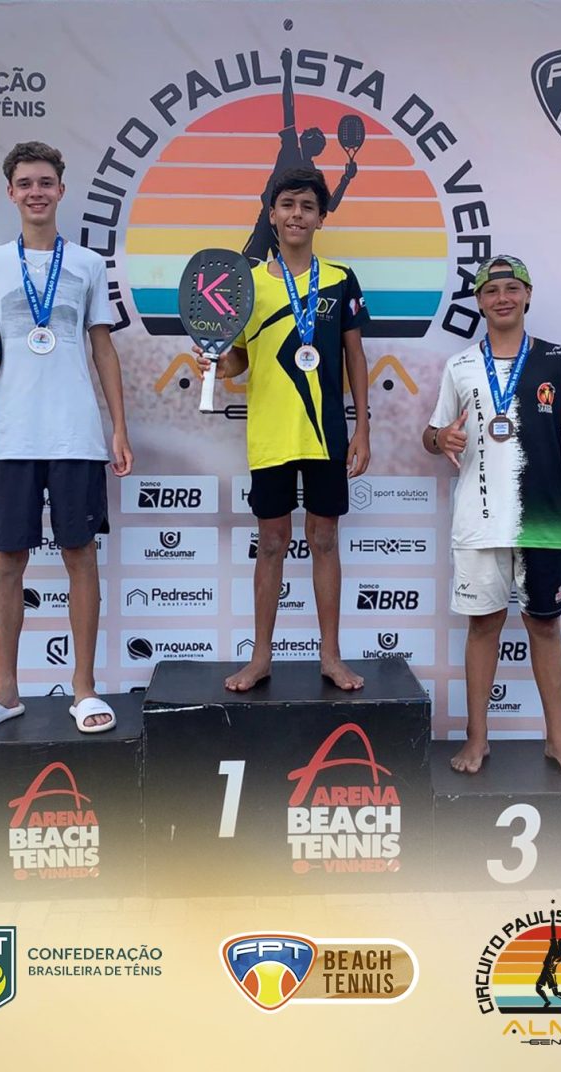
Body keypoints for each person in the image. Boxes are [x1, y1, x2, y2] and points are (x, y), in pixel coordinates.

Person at [423, 255, 561, 776]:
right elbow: (432, 435)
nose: (502, 297)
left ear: (527, 295)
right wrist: (441, 439)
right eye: (491, 290)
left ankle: (558, 742)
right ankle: (477, 739)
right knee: (483, 626)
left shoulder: (556, 361)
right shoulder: (460, 366)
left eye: (512, 288)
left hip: (541, 518)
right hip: (478, 520)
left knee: (544, 627)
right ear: (479, 302)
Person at [0, 141, 133, 735]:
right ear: (11, 192)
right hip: (10, 435)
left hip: (76, 434)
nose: (36, 192)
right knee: (8, 560)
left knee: (81, 556)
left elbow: (102, 347)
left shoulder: (87, 264)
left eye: (45, 182)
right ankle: (6, 690)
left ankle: (84, 689)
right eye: (25, 183)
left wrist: (118, 427)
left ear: (61, 190)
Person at [198, 166, 371, 691]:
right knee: (271, 543)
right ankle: (260, 658)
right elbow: (239, 360)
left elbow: (355, 356)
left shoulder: (340, 278)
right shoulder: (246, 283)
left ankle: (331, 656)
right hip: (270, 436)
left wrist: (363, 428)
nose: (297, 214)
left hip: (325, 435)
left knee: (325, 540)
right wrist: (216, 363)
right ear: (271, 214)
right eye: (288, 205)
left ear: (321, 217)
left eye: (308, 207)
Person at [242, 48, 359, 265]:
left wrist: (346, 179)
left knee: (291, 272)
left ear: (316, 146)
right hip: (268, 221)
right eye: (308, 133)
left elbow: (330, 206)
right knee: (248, 266)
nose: (305, 133)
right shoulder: (290, 148)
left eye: (312, 135)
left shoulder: (313, 174)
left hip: (287, 229)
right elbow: (288, 106)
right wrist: (287, 71)